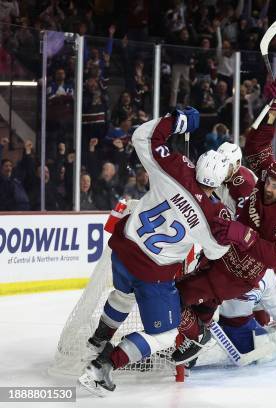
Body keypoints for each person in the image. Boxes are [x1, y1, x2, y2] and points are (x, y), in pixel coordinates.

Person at [78, 107, 232, 396]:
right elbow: (216, 251)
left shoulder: (174, 166)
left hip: (123, 251)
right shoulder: (213, 215)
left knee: (122, 296)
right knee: (165, 335)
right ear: (221, 182)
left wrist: (178, 121)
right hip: (152, 273)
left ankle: (99, 338)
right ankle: (102, 366)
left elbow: (141, 136)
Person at [172, 76, 276, 364]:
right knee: (216, 303)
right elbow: (257, 145)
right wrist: (273, 108)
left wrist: (241, 233)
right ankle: (221, 334)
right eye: (270, 181)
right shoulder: (263, 180)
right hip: (226, 256)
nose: (270, 187)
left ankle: (233, 336)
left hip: (242, 270)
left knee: (217, 306)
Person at [215, 141, 257, 215]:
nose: (221, 168)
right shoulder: (223, 174)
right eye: (219, 162)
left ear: (237, 164)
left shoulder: (245, 186)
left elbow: (243, 221)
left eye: (227, 165)